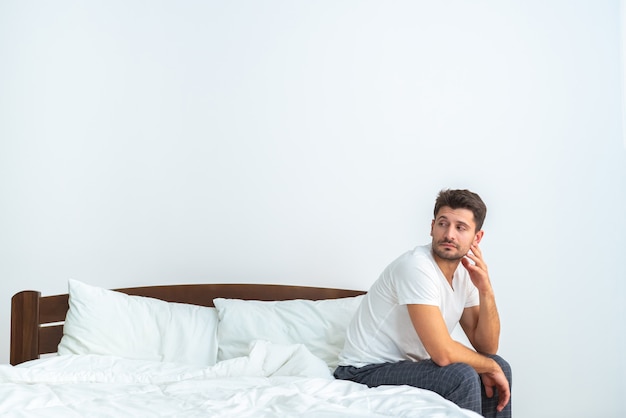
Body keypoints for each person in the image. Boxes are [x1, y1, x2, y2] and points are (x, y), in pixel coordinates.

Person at [334, 189, 512, 417]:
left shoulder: (465, 274)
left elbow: (487, 348)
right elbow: (442, 353)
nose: (449, 234)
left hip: (408, 367)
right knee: (462, 375)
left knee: (500, 366)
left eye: (460, 227)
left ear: (477, 238)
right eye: (443, 224)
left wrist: (486, 290)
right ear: (432, 227)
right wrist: (489, 366)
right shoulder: (416, 267)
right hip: (362, 371)